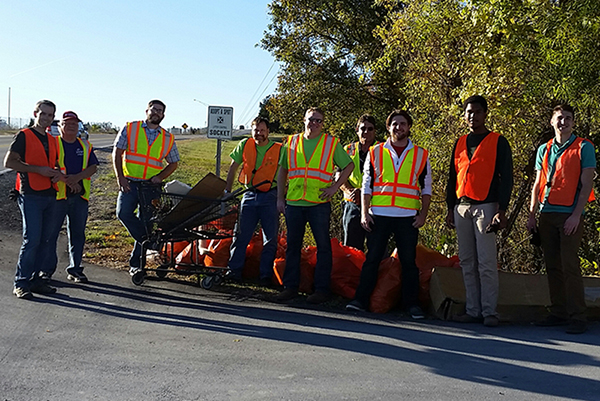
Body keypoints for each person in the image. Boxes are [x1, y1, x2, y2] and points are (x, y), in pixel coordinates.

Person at [346, 110, 431, 319]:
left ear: (409, 127)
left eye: (402, 124)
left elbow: (427, 187)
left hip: (408, 216)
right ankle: (360, 300)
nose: (398, 128)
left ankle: (411, 305)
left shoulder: (421, 154)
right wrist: (365, 213)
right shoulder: (376, 152)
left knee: (409, 262)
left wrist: (423, 216)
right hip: (379, 214)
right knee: (372, 259)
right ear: (388, 127)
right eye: (394, 124)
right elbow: (367, 185)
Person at [526, 104, 595, 335]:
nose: (563, 122)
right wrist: (532, 215)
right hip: (547, 213)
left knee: (570, 265)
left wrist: (576, 215)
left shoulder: (584, 147)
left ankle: (578, 317)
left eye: (568, 118)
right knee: (553, 266)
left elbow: (586, 184)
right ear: (551, 121)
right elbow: (537, 184)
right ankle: (558, 312)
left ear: (573, 123)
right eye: (559, 118)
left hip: (570, 215)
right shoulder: (544, 149)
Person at [445, 95, 513, 327]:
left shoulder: (498, 141)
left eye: (477, 111)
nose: (472, 116)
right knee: (467, 262)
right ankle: (473, 310)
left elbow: (507, 179)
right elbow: (452, 177)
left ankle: (489, 312)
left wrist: (501, 209)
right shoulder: (460, 142)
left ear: (485, 114)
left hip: (486, 206)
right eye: (468, 112)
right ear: (464, 116)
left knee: (485, 262)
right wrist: (449, 208)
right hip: (461, 207)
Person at [276, 107, 354, 304]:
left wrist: (335, 188)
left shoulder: (331, 143)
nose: (315, 123)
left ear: (323, 123)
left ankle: (321, 290)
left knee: (323, 247)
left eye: (319, 120)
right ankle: (290, 287)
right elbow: (282, 171)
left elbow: (349, 166)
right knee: (293, 247)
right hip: (294, 202)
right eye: (311, 120)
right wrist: (279, 198)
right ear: (304, 120)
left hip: (319, 203)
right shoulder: (291, 142)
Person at [4, 100, 64, 299]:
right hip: (30, 194)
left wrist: (56, 174)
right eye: (43, 114)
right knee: (32, 240)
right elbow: (10, 162)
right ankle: (21, 282)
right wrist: (37, 169)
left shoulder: (52, 139)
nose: (46, 118)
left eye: (50, 115)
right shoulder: (23, 135)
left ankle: (36, 280)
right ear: (35, 113)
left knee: (45, 240)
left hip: (49, 193)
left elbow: (53, 164)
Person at [112, 100, 179, 275]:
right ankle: (152, 243)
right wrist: (120, 178)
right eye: (154, 109)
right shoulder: (130, 128)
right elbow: (117, 152)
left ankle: (137, 266)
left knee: (145, 223)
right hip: (130, 183)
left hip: (151, 187)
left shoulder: (167, 137)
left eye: (160, 111)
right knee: (123, 213)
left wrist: (159, 177)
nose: (156, 113)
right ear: (147, 111)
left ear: (163, 115)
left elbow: (173, 163)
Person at [224, 117, 281, 286]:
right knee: (241, 235)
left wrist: (281, 197)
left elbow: (284, 172)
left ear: (268, 131)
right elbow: (233, 167)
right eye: (256, 130)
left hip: (270, 196)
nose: (259, 133)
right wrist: (227, 191)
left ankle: (265, 276)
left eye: (263, 130)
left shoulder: (279, 149)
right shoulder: (244, 144)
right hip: (248, 195)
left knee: (270, 239)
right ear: (252, 131)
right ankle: (233, 271)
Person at [46, 111, 99, 283]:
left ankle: (75, 269)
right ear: (59, 126)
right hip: (57, 197)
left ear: (79, 127)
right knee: (51, 234)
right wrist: (70, 181)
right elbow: (49, 166)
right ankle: (46, 271)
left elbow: (93, 167)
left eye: (74, 124)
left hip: (79, 198)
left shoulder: (85, 146)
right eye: (66, 123)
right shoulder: (52, 144)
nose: (70, 126)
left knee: (77, 234)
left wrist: (77, 178)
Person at [338, 114, 378, 251]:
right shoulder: (347, 149)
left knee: (377, 248)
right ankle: (352, 273)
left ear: (375, 131)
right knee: (351, 248)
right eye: (363, 128)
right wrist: (351, 192)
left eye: (370, 129)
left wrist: (365, 192)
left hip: (376, 204)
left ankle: (375, 273)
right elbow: (339, 175)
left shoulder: (382, 150)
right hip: (352, 204)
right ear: (357, 130)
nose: (366, 132)